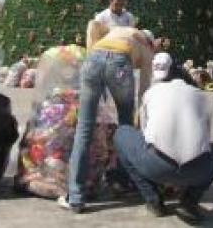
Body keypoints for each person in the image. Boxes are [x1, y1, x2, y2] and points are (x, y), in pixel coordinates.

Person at [60, 22, 155, 213]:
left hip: (92, 60)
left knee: (84, 128)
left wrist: (91, 51)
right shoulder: (146, 47)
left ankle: (76, 197)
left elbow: (92, 24)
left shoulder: (117, 31)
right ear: (150, 42)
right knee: (126, 128)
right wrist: (141, 119)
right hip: (119, 65)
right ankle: (121, 182)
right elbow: (145, 91)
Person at [113, 67, 213, 223]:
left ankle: (153, 199)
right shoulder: (204, 97)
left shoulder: (152, 92)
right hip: (198, 171)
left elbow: (144, 133)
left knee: (121, 133)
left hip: (157, 167)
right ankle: (189, 200)